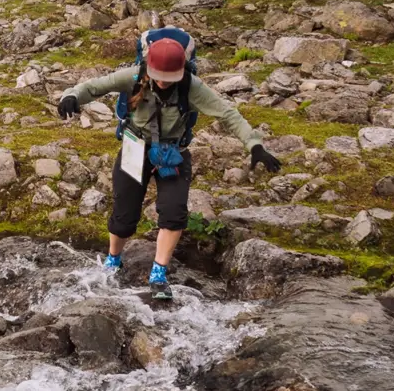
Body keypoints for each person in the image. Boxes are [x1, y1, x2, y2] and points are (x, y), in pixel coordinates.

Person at [58, 36, 281, 300]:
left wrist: (254, 145)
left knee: (174, 213)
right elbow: (94, 86)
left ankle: (158, 273)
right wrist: (71, 96)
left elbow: (228, 113)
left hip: (174, 153)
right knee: (123, 217)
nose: (164, 81)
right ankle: (113, 260)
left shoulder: (191, 86)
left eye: (169, 76)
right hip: (135, 150)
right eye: (159, 75)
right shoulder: (133, 76)